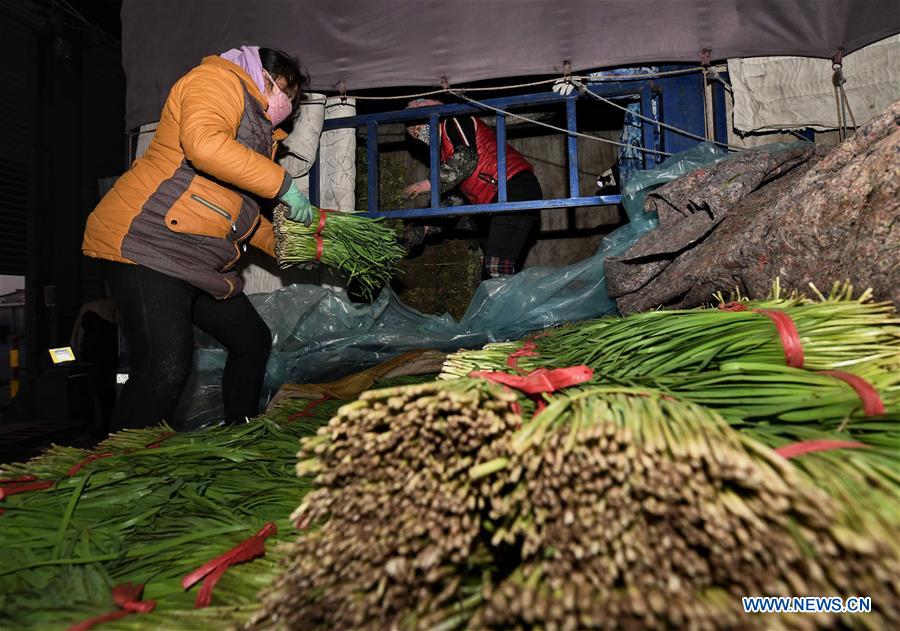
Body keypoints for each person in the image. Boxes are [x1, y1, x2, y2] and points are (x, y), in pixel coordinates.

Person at [82, 45, 314, 430]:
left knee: (251, 341)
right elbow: (204, 145)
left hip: (194, 259)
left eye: (291, 100)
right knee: (165, 367)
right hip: (148, 244)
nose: (286, 103)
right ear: (265, 75)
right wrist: (282, 184)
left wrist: (289, 245)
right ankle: (123, 473)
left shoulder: (257, 134)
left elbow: (233, 214)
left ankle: (240, 438)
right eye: (286, 91)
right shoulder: (217, 80)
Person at [402, 98, 542, 278]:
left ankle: (509, 303)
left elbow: (466, 159)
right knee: (494, 270)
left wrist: (427, 184)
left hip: (513, 188)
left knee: (497, 268)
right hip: (492, 202)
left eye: (418, 128)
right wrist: (426, 226)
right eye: (415, 134)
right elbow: (456, 198)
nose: (418, 134)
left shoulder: (454, 121)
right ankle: (508, 302)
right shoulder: (445, 155)